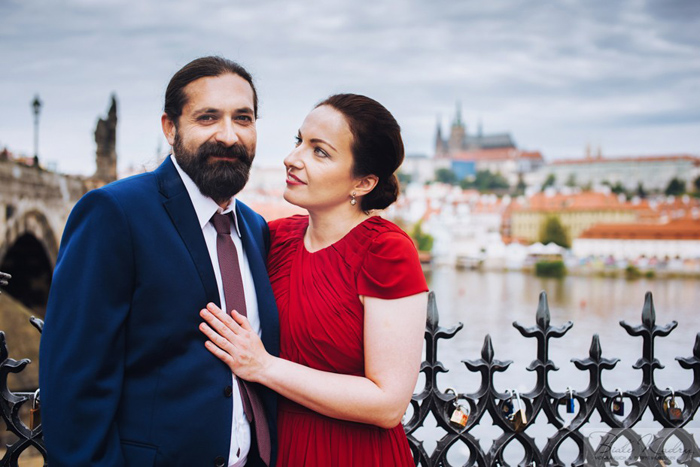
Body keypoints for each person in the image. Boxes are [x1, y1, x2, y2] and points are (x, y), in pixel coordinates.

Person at [39, 57, 279, 467]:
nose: (229, 135)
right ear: (170, 128)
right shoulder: (115, 213)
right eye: (208, 117)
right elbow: (74, 384)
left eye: (243, 118)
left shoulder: (255, 228)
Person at [200, 94, 428, 466]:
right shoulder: (273, 238)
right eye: (299, 141)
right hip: (278, 448)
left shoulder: (386, 251)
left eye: (319, 151)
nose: (292, 158)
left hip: (352, 454)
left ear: (363, 183)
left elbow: (388, 404)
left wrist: (264, 366)